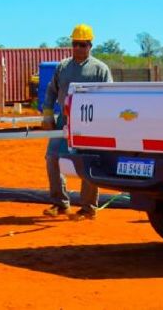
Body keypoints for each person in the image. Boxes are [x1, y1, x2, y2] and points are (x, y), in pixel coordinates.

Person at [41, 23, 112, 221]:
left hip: (90, 123)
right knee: (53, 158)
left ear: (90, 46)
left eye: (83, 44)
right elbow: (52, 91)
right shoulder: (63, 67)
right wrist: (48, 113)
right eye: (75, 44)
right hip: (64, 121)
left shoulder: (100, 70)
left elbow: (109, 96)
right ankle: (60, 203)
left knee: (88, 162)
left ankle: (88, 208)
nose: (78, 48)